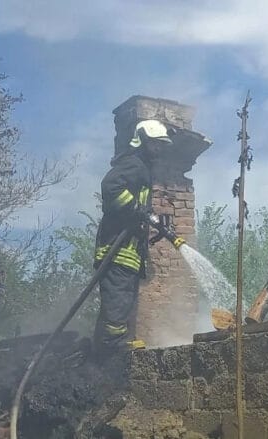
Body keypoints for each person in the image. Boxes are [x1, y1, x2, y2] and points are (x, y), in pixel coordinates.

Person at [93, 119, 173, 355]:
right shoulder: (133, 164)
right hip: (116, 250)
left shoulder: (141, 168)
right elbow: (111, 187)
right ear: (143, 141)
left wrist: (145, 215)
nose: (158, 149)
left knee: (122, 299)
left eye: (161, 145)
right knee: (118, 298)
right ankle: (113, 348)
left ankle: (103, 349)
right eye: (155, 144)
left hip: (126, 252)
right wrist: (137, 209)